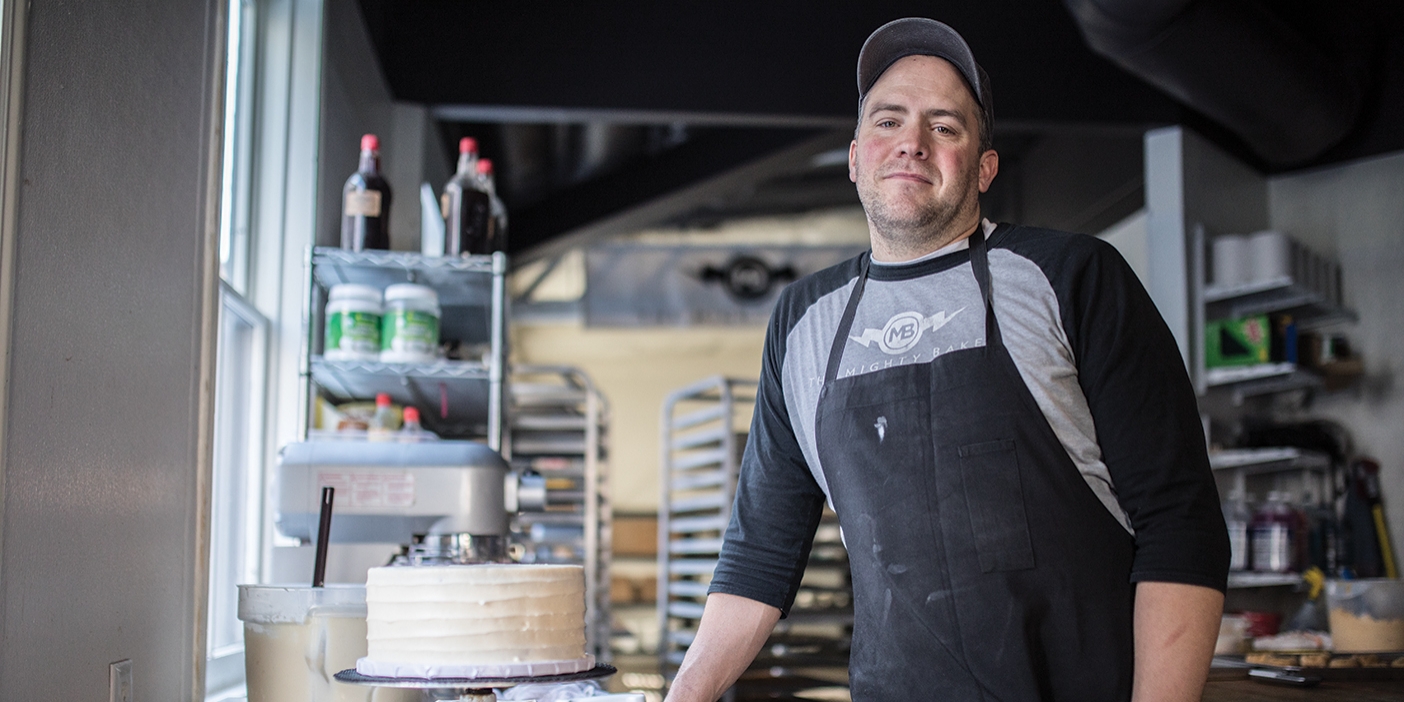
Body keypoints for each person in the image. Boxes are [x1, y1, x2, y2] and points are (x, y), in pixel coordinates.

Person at [665, 17, 1230, 702]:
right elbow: (761, 552)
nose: (911, 143)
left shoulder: (1072, 277)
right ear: (853, 157)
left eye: (946, 126)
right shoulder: (802, 321)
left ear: (985, 166)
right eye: (888, 121)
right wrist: (684, 696)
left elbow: (1180, 523)